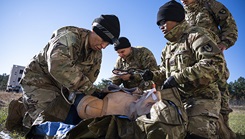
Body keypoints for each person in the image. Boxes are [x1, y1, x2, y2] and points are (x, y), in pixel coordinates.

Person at [19, 14, 120, 129]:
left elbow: (89, 80)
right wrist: (90, 89)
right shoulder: (70, 36)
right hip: (39, 80)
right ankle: (24, 110)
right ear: (94, 31)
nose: (103, 46)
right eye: (103, 40)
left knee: (72, 120)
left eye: (107, 44)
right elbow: (58, 66)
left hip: (63, 87)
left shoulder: (96, 54)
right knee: (49, 121)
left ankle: (32, 108)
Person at [142, 0, 225, 138]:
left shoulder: (196, 35)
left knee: (194, 136)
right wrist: (152, 75)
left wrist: (179, 77)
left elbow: (214, 65)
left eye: (163, 21)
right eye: (159, 24)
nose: (161, 26)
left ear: (175, 18)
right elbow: (165, 73)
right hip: (177, 102)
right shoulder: (168, 48)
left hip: (202, 99)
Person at [180, 0, 238, 138]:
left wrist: (224, 43)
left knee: (221, 95)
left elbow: (229, 25)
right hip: (191, 64)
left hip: (212, 60)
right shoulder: (181, 13)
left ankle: (224, 132)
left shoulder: (210, 4)